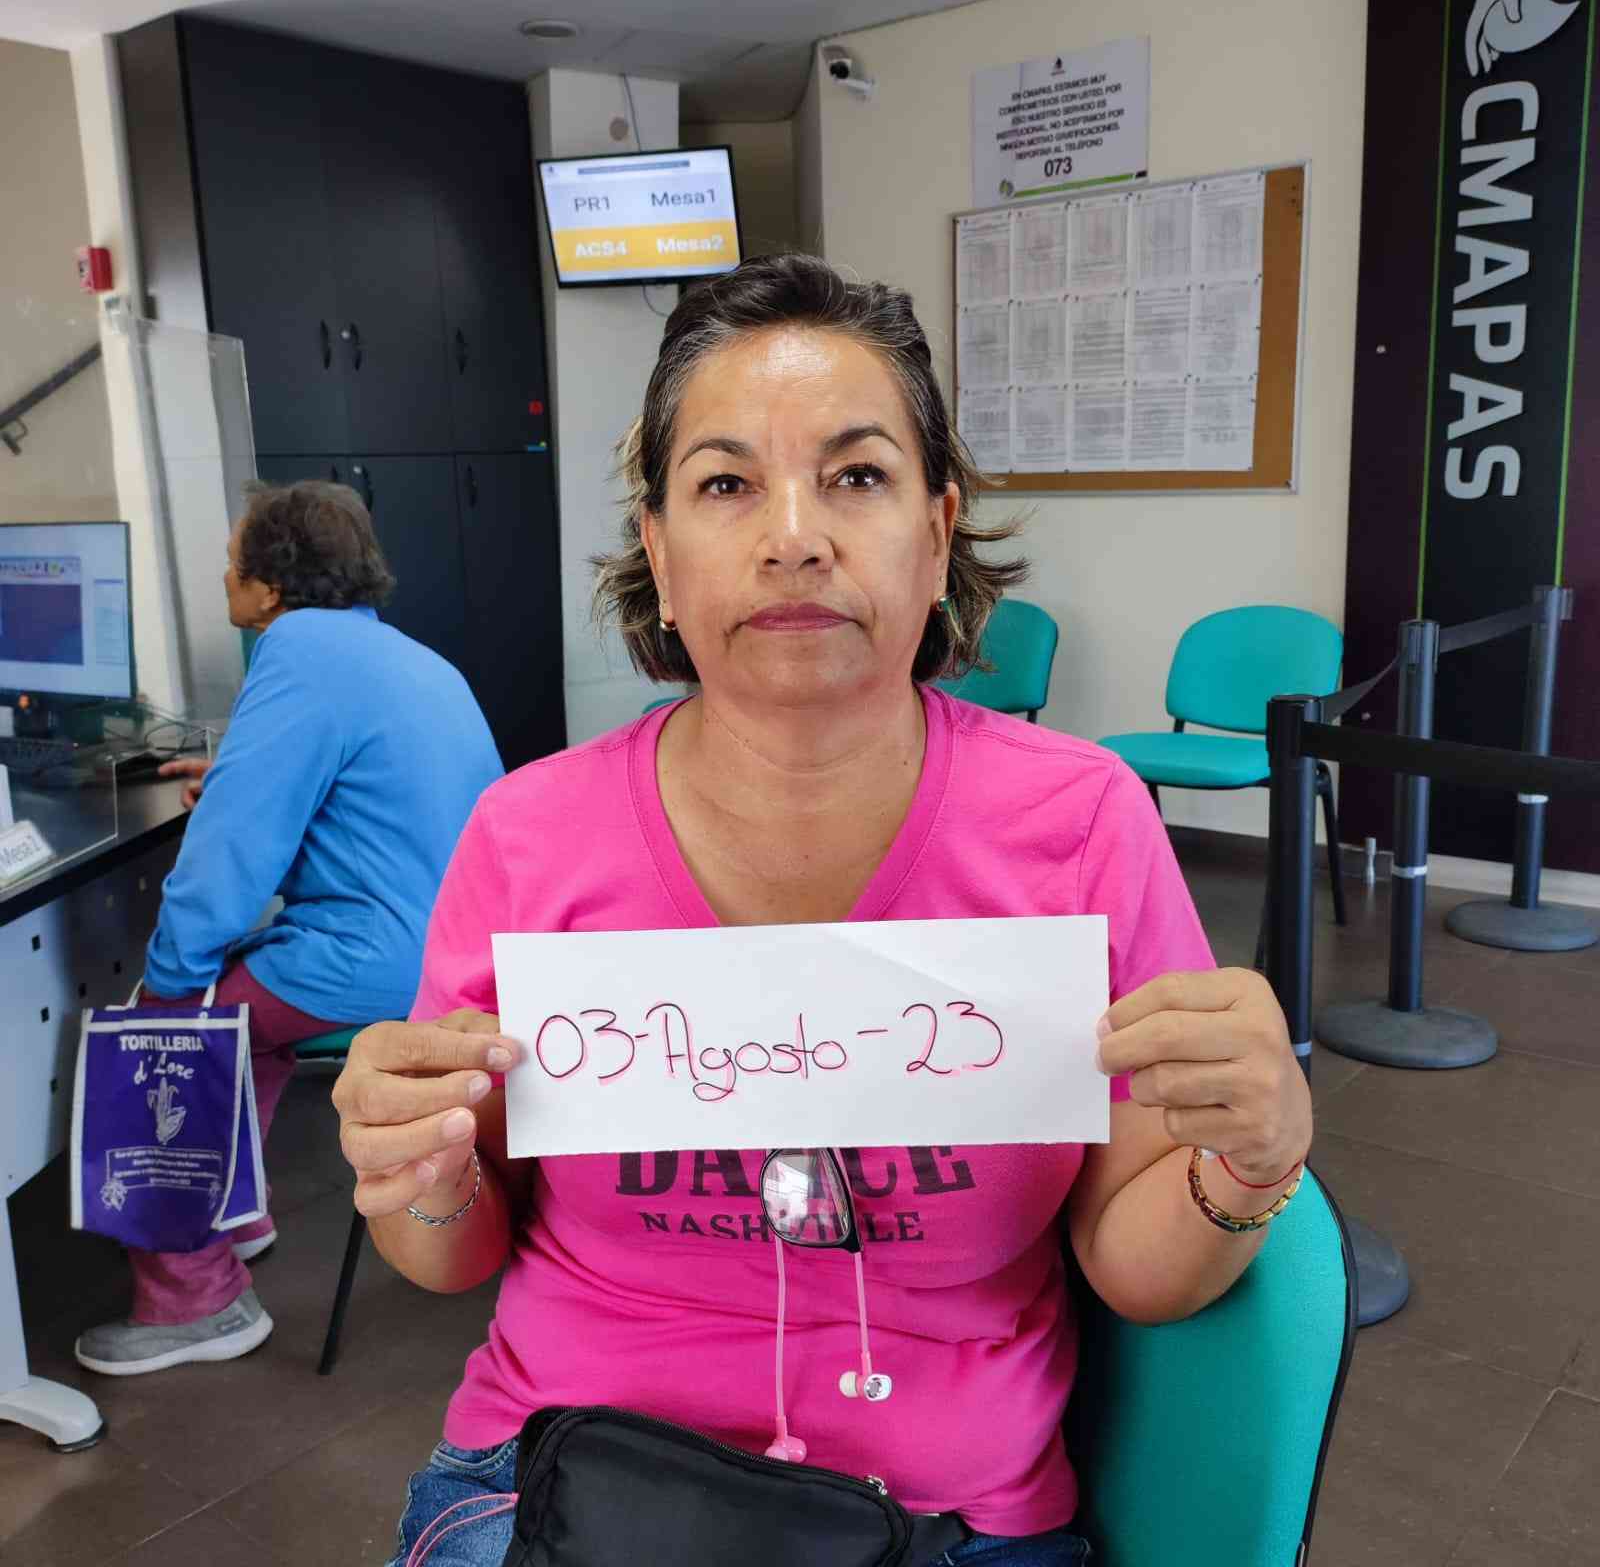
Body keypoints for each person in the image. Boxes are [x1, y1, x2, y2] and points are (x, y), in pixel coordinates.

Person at [335, 255, 1314, 1566]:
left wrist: (1253, 1160)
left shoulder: (1080, 824)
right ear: (659, 554)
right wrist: (415, 1167)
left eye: (856, 476)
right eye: (725, 484)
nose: (793, 536)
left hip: (951, 1522)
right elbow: (451, 1254)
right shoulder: (528, 835)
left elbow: (1134, 1263)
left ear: (937, 533)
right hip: (569, 1483)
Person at [75, 480, 504, 1376]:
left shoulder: (298, 650)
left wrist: (169, 985)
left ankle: (198, 1301)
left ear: (267, 587)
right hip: (460, 949)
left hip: (382, 959)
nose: (225, 576)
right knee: (248, 1018)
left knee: (177, 1028)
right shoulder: (399, 655)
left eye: (233, 563)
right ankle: (237, 1211)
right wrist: (241, 767)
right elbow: (348, 780)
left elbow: (228, 859)